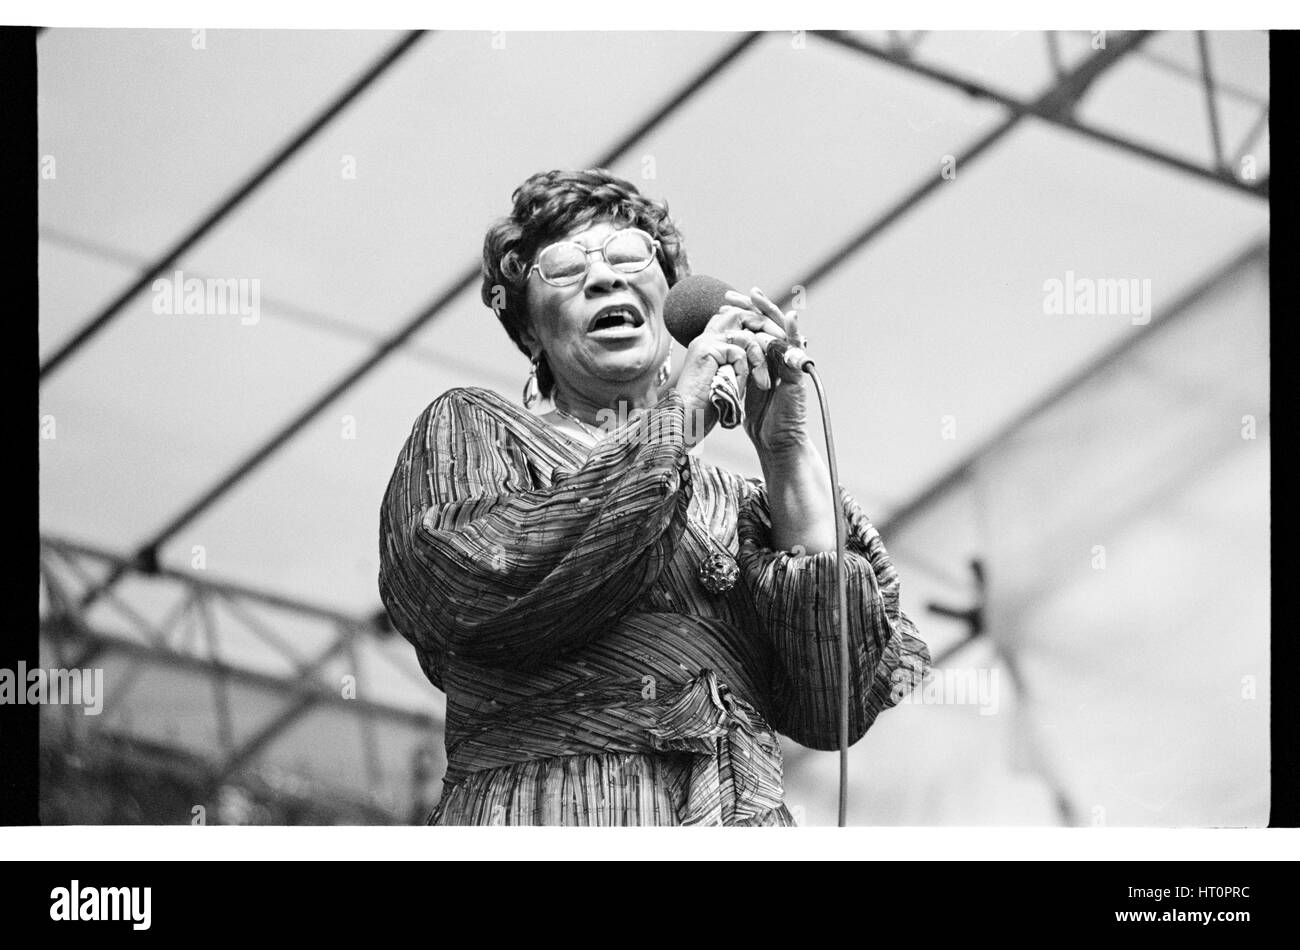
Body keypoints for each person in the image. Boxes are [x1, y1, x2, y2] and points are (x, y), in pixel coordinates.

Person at [378, 168, 929, 826]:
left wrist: (786, 453)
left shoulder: (742, 504)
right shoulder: (475, 429)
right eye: (564, 267)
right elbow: (468, 586)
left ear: (670, 301)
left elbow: (837, 698)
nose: (605, 277)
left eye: (629, 257)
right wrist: (673, 423)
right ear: (529, 328)